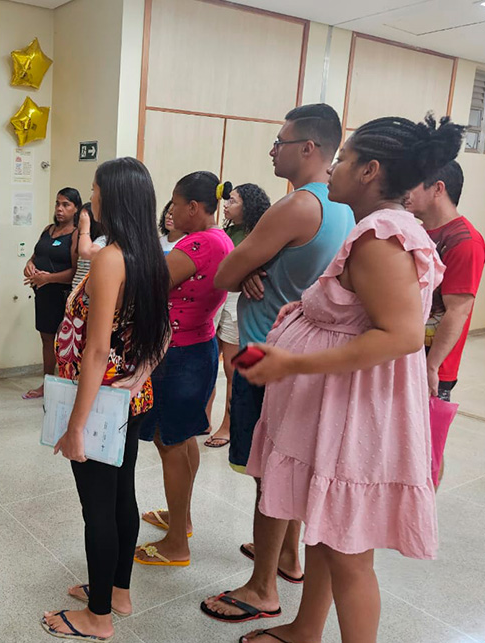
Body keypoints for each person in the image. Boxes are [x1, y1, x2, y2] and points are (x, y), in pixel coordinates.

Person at [236, 113, 464, 643]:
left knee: (350, 558)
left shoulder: (383, 237)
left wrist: (292, 362)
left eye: (343, 159)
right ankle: (306, 628)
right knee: (329, 529)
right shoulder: (376, 229)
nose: (333, 168)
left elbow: (402, 335)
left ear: (371, 170)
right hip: (335, 406)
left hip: (354, 413)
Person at [203, 104, 354, 623]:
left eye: (281, 140)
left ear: (309, 147)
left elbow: (225, 273)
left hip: (259, 348)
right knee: (287, 462)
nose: (273, 149)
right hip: (299, 352)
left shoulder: (295, 206)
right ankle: (288, 557)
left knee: (266, 468)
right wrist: (260, 267)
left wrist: (249, 268)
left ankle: (261, 586)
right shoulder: (345, 205)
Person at [42, 158, 170, 642]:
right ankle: (117, 590)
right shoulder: (149, 254)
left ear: (110, 197)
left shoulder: (111, 258)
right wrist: (140, 375)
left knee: (97, 505)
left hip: (99, 401)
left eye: (95, 191)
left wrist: (76, 425)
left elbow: (96, 351)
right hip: (130, 400)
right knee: (121, 495)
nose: (90, 198)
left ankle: (98, 617)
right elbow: (163, 331)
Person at [135, 172, 234, 566]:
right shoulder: (221, 239)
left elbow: (149, 284)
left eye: (175, 204)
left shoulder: (198, 242)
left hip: (177, 354)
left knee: (170, 442)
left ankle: (176, 543)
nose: (171, 211)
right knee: (181, 439)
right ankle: (183, 518)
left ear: (194, 207)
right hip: (198, 346)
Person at [405, 161, 484, 483]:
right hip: (403, 353)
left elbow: (458, 310)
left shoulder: (464, 240)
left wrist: (432, 366)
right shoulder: (416, 229)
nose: (405, 192)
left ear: (438, 189)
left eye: (414, 184)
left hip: (430, 364)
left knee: (424, 454)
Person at [205, 184, 272, 448]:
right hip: (217, 299)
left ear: (249, 205)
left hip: (237, 302)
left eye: (233, 200)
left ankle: (227, 426)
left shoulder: (259, 233)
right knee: (210, 361)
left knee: (231, 368)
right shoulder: (226, 231)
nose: (227, 204)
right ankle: (204, 417)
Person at [22, 188, 80, 399]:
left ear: (76, 209)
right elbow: (35, 256)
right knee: (46, 340)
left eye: (66, 205)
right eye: (57, 204)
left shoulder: (75, 235)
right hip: (43, 294)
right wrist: (29, 265)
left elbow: (75, 272)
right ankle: (47, 382)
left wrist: (47, 278)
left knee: (64, 343)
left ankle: (66, 385)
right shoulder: (48, 230)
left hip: (62, 295)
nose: (60, 209)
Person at [72, 202, 107, 291]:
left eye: (82, 220)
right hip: (77, 296)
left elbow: (86, 252)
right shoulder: (84, 241)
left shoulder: (103, 240)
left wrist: (85, 228)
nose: (79, 224)